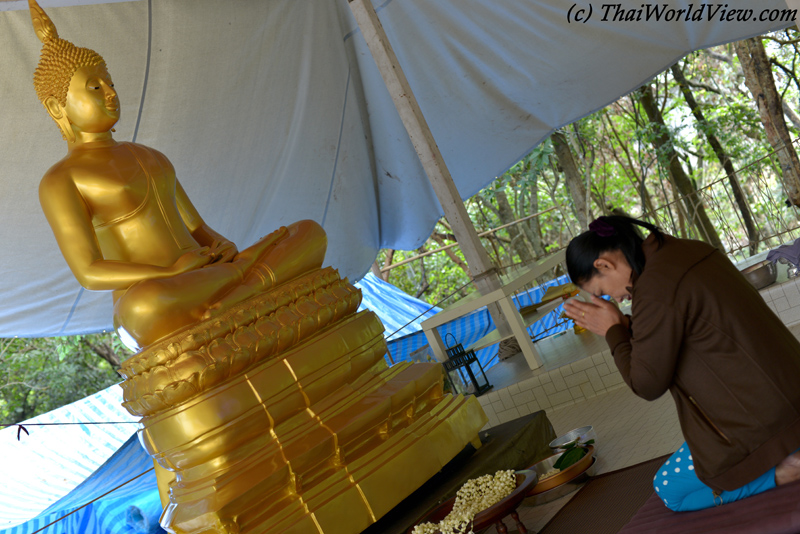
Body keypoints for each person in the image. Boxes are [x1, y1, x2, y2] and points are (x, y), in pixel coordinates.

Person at [29, 0, 326, 351]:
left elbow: (196, 228)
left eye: (109, 82)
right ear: (55, 106)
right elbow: (90, 272)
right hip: (162, 291)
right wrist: (170, 272)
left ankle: (240, 291)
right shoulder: (62, 179)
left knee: (307, 232)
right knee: (142, 310)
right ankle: (248, 288)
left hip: (206, 274)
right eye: (95, 87)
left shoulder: (150, 155)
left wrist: (223, 246)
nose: (111, 93)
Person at [562, 215, 800, 512]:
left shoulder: (653, 288)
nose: (613, 298)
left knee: (668, 490)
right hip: (789, 390)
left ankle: (784, 471)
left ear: (604, 265)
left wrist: (613, 331)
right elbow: (672, 325)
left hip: (763, 419)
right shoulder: (686, 250)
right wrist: (623, 323)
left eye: (601, 291)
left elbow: (646, 383)